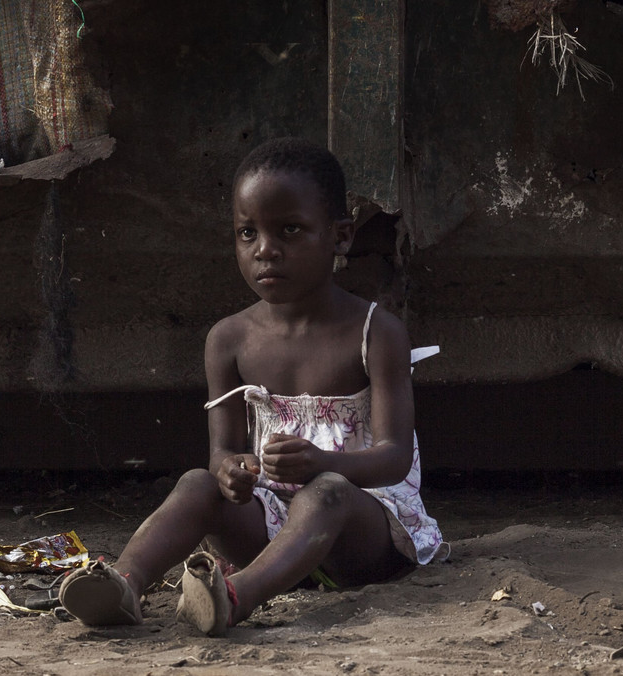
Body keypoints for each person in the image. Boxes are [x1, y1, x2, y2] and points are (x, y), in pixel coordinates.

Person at [57, 137, 447, 636]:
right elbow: (223, 451)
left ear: (341, 236)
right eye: (247, 233)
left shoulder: (377, 332)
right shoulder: (229, 339)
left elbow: (394, 458)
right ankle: (124, 586)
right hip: (271, 531)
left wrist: (326, 463)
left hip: (362, 536)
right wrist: (232, 472)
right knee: (197, 482)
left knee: (327, 491)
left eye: (290, 230)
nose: (265, 250)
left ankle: (236, 597)